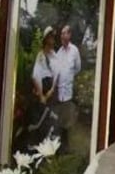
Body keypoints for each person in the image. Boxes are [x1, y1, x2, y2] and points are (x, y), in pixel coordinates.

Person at [50, 22, 82, 154]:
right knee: (58, 123)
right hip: (59, 94)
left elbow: (77, 68)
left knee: (68, 124)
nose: (63, 36)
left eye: (65, 33)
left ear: (70, 35)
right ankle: (58, 149)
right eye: (62, 34)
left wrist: (69, 77)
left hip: (68, 94)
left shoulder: (74, 51)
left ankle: (67, 149)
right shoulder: (59, 52)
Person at [28, 27, 58, 144]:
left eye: (53, 37)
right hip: (43, 88)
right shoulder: (41, 55)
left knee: (52, 118)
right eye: (50, 37)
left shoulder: (54, 55)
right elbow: (36, 76)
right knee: (42, 118)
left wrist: (52, 89)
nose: (52, 40)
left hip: (52, 89)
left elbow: (57, 73)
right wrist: (41, 95)